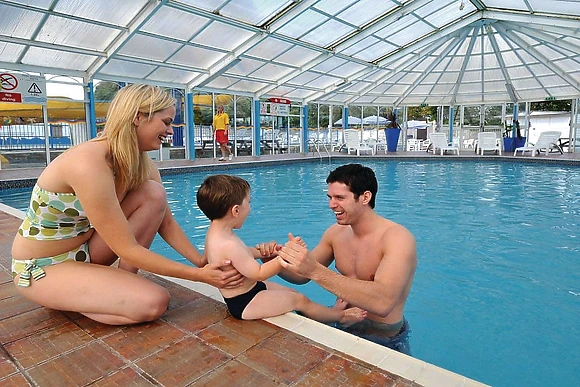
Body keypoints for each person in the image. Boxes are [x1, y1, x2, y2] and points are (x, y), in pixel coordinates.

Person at [10, 84, 275, 326]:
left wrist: (202, 261)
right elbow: (126, 247)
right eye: (166, 122)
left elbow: (166, 222)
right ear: (138, 117)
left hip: (87, 252)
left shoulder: (140, 162)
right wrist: (200, 277)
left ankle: (110, 285)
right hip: (44, 265)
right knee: (153, 302)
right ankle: (77, 295)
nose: (170, 131)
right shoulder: (88, 164)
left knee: (153, 193)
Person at [268, 163, 417, 355]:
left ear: (365, 197)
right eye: (330, 197)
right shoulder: (335, 233)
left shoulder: (397, 239)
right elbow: (301, 276)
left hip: (384, 337)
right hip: (344, 322)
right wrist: (276, 260)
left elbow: (383, 303)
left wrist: (314, 270)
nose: (331, 204)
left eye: (339, 198)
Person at [196, 174, 367, 325]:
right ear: (236, 210)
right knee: (298, 300)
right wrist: (284, 257)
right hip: (245, 302)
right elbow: (258, 273)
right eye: (249, 202)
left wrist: (270, 252)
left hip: (251, 291)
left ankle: (324, 315)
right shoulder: (228, 244)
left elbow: (241, 255)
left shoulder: (217, 234)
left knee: (292, 293)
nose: (250, 207)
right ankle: (340, 317)